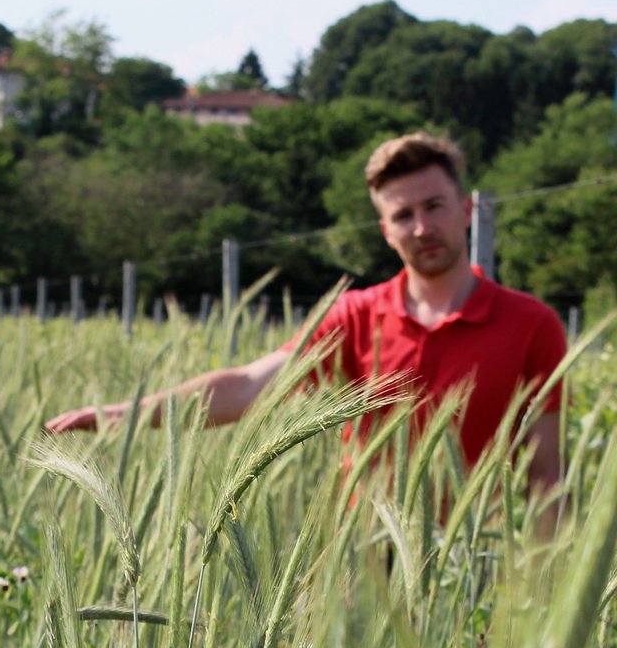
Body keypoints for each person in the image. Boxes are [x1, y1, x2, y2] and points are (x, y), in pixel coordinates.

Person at [44, 132, 566, 500]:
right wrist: (126, 415)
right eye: (402, 215)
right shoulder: (355, 316)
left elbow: (547, 477)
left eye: (434, 206)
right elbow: (248, 388)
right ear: (385, 230)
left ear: (466, 208)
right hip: (361, 563)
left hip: (472, 567)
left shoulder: (531, 324)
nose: (422, 227)